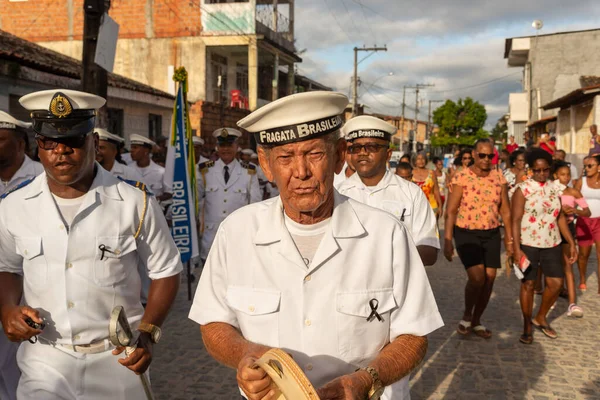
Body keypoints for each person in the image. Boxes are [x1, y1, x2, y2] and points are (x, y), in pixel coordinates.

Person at [189, 91, 443, 400]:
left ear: (338, 156)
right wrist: (245, 354)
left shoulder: (386, 234)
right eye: (285, 157)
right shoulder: (237, 232)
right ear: (267, 166)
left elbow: (414, 333)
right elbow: (214, 322)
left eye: (313, 154)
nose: (301, 172)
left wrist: (367, 379)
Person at [0, 89, 182, 398]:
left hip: (116, 360)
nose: (61, 152)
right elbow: (7, 267)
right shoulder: (14, 206)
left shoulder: (133, 203)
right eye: (50, 142)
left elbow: (166, 270)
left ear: (94, 144)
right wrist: (6, 309)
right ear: (38, 147)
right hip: (45, 358)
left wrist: (148, 333)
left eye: (73, 142)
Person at [338, 115, 440, 266]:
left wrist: (386, 258)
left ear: (388, 154)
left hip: (397, 286)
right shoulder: (339, 194)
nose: (362, 153)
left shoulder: (411, 193)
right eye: (356, 148)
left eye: (371, 147)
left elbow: (429, 250)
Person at [444, 139, 513, 339]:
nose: (486, 159)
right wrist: (448, 240)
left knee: (490, 278)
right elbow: (451, 210)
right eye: (482, 155)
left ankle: (476, 320)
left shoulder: (498, 177)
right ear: (474, 155)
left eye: (490, 156)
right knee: (477, 277)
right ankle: (467, 314)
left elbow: (506, 212)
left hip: (491, 232)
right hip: (466, 232)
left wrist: (509, 240)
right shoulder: (462, 176)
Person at [0, 110, 44, 400]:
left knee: (21, 364)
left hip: (27, 287)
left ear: (21, 145)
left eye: (1, 139)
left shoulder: (42, 179)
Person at [511, 149, 577, 344]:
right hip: (528, 243)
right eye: (537, 170)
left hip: (552, 243)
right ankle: (526, 325)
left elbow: (560, 217)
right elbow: (515, 220)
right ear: (531, 170)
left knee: (556, 284)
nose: (541, 174)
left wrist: (571, 242)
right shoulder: (523, 189)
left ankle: (540, 317)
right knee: (529, 285)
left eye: (545, 170)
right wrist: (516, 249)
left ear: (550, 169)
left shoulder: (554, 188)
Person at [197, 128, 262, 263]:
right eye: (222, 146)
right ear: (217, 147)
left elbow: (255, 204)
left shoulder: (248, 172)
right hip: (211, 236)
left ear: (237, 147)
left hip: (239, 235)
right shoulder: (205, 171)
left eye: (229, 145)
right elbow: (195, 200)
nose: (225, 149)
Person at [553, 160, 589, 317]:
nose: (566, 177)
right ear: (555, 176)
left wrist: (574, 211)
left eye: (568, 174)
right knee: (551, 266)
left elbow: (587, 212)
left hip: (568, 230)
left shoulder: (574, 192)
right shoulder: (551, 191)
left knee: (568, 265)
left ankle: (572, 303)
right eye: (562, 174)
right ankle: (551, 295)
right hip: (551, 230)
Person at [574, 154, 600, 292]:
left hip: (599, 221)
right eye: (585, 166)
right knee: (584, 254)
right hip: (584, 220)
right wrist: (583, 210)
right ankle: (583, 278)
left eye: (590, 166)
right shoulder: (581, 181)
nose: (587, 168)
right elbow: (574, 197)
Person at [129, 134, 172, 202]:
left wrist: (155, 199)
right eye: (131, 148)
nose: (131, 150)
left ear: (146, 151)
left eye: (135, 147)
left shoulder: (161, 172)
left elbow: (169, 192)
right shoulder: (127, 170)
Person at [412, 152, 443, 219]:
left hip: (431, 206)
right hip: (415, 208)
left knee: (432, 228)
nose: (421, 161)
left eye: (423, 159)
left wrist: (440, 206)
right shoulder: (410, 173)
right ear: (414, 161)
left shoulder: (432, 173)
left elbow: (436, 190)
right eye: (418, 159)